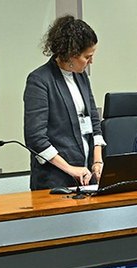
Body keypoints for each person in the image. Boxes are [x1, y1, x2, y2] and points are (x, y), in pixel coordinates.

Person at [23, 15, 104, 191]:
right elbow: (36, 139)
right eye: (87, 57)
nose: (91, 61)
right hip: (55, 181)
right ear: (71, 55)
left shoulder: (81, 76)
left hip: (85, 176)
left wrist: (97, 161)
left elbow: (94, 121)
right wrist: (70, 169)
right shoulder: (39, 80)